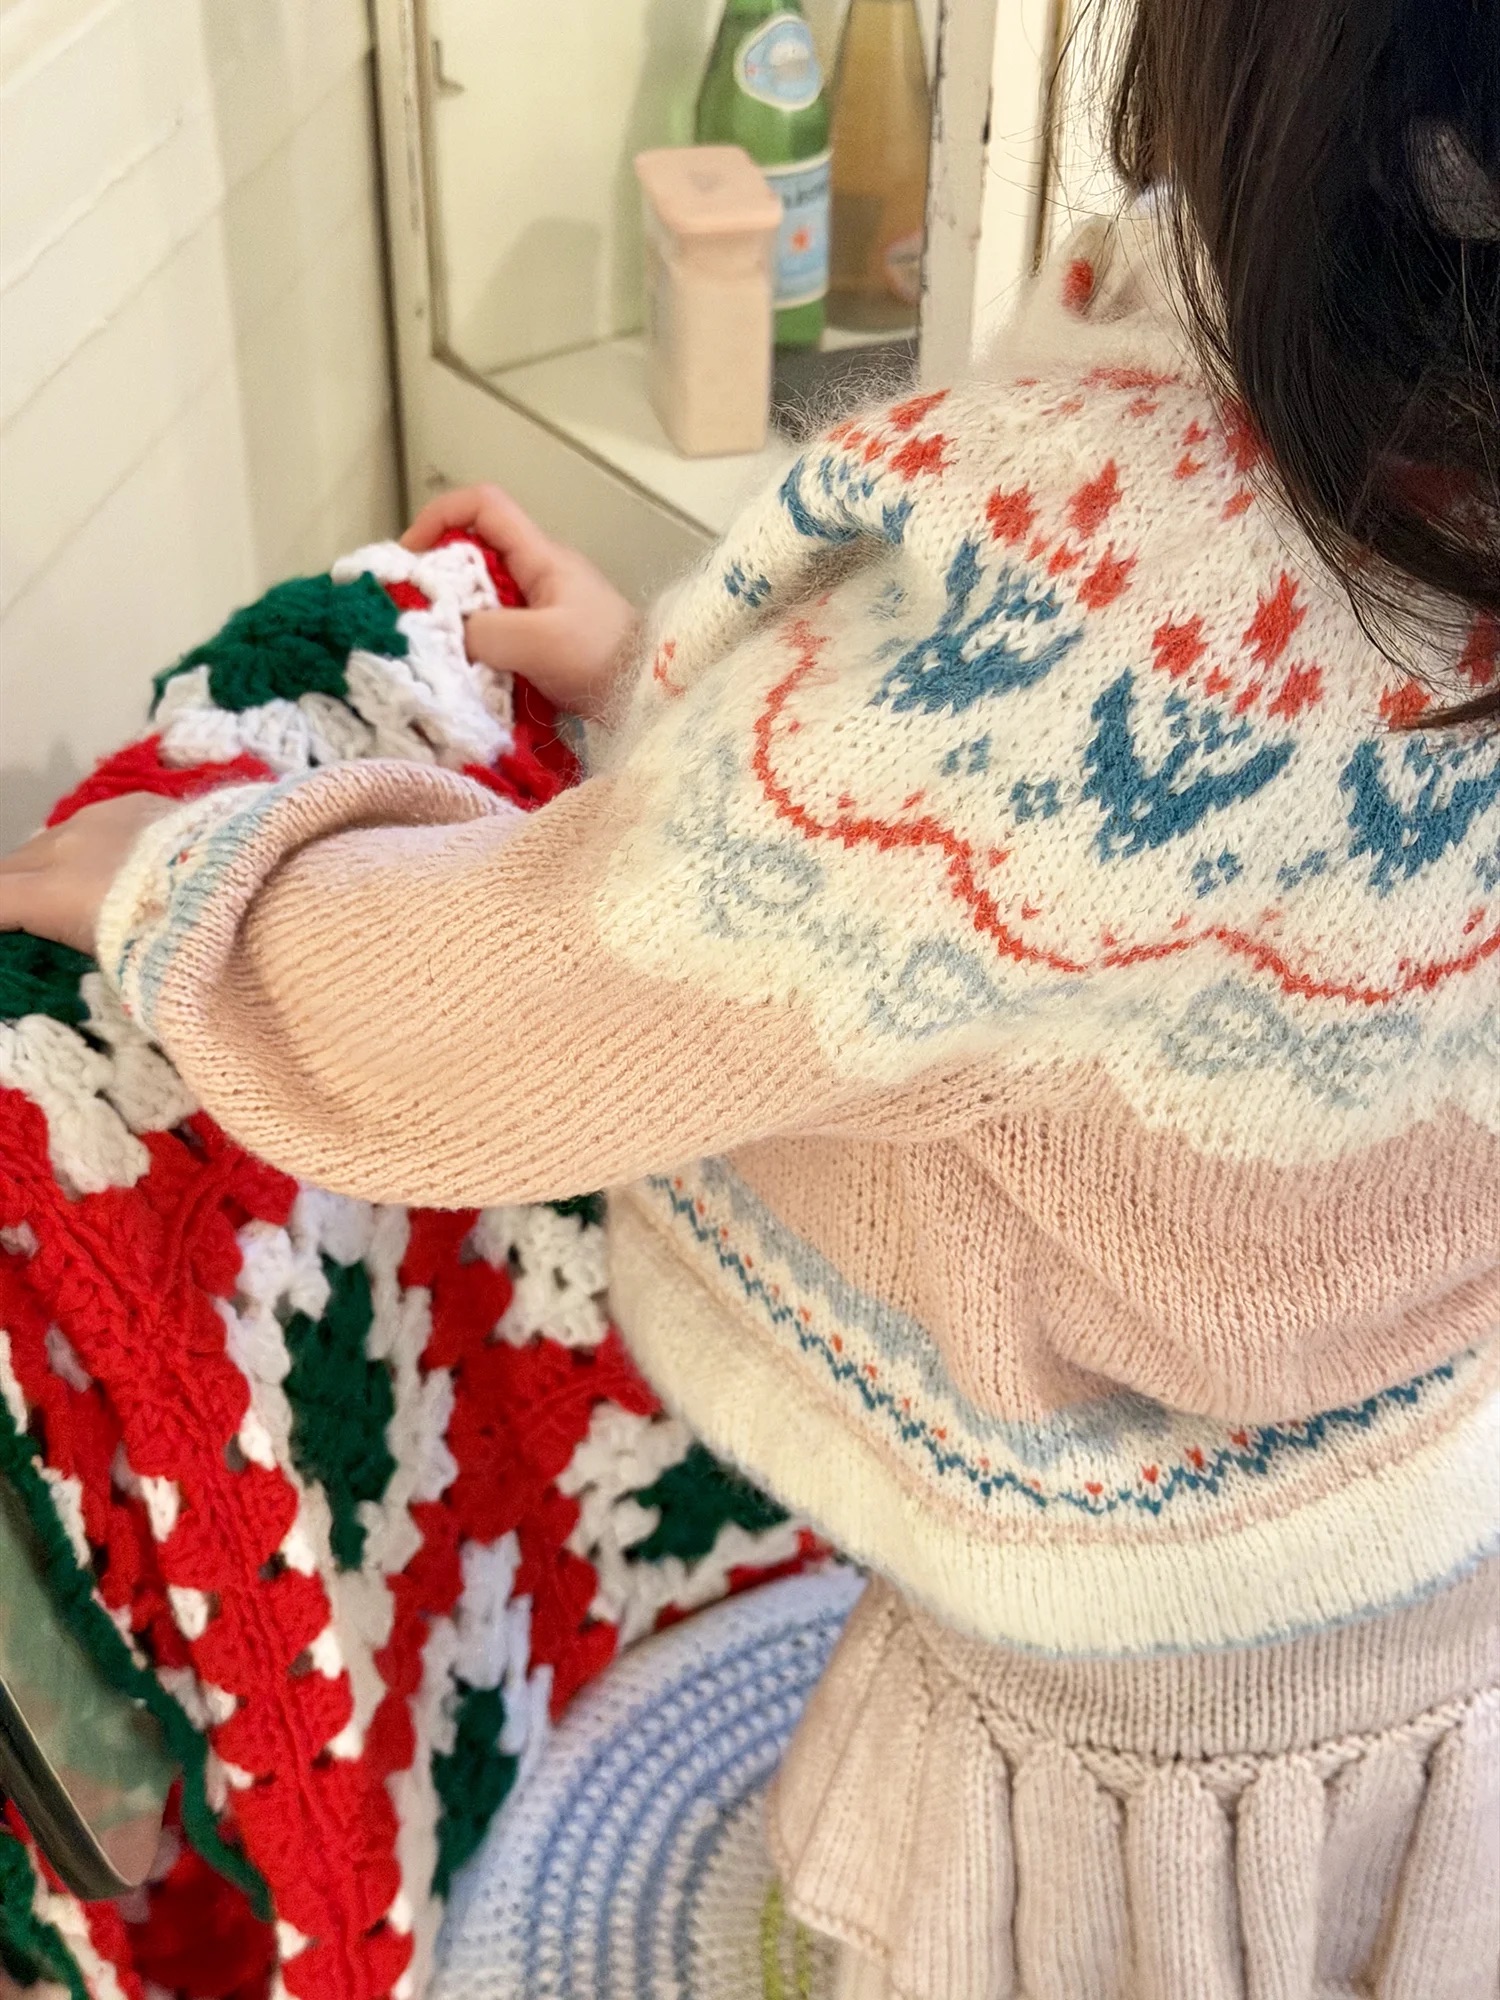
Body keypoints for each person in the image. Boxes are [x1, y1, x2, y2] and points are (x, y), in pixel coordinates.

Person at [3, 0, 1497, 1989]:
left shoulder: (1120, 594)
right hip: (1429, 1564)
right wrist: (684, 696)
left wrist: (189, 884)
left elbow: (515, 1013)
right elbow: (1055, 927)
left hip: (1114, 1685)